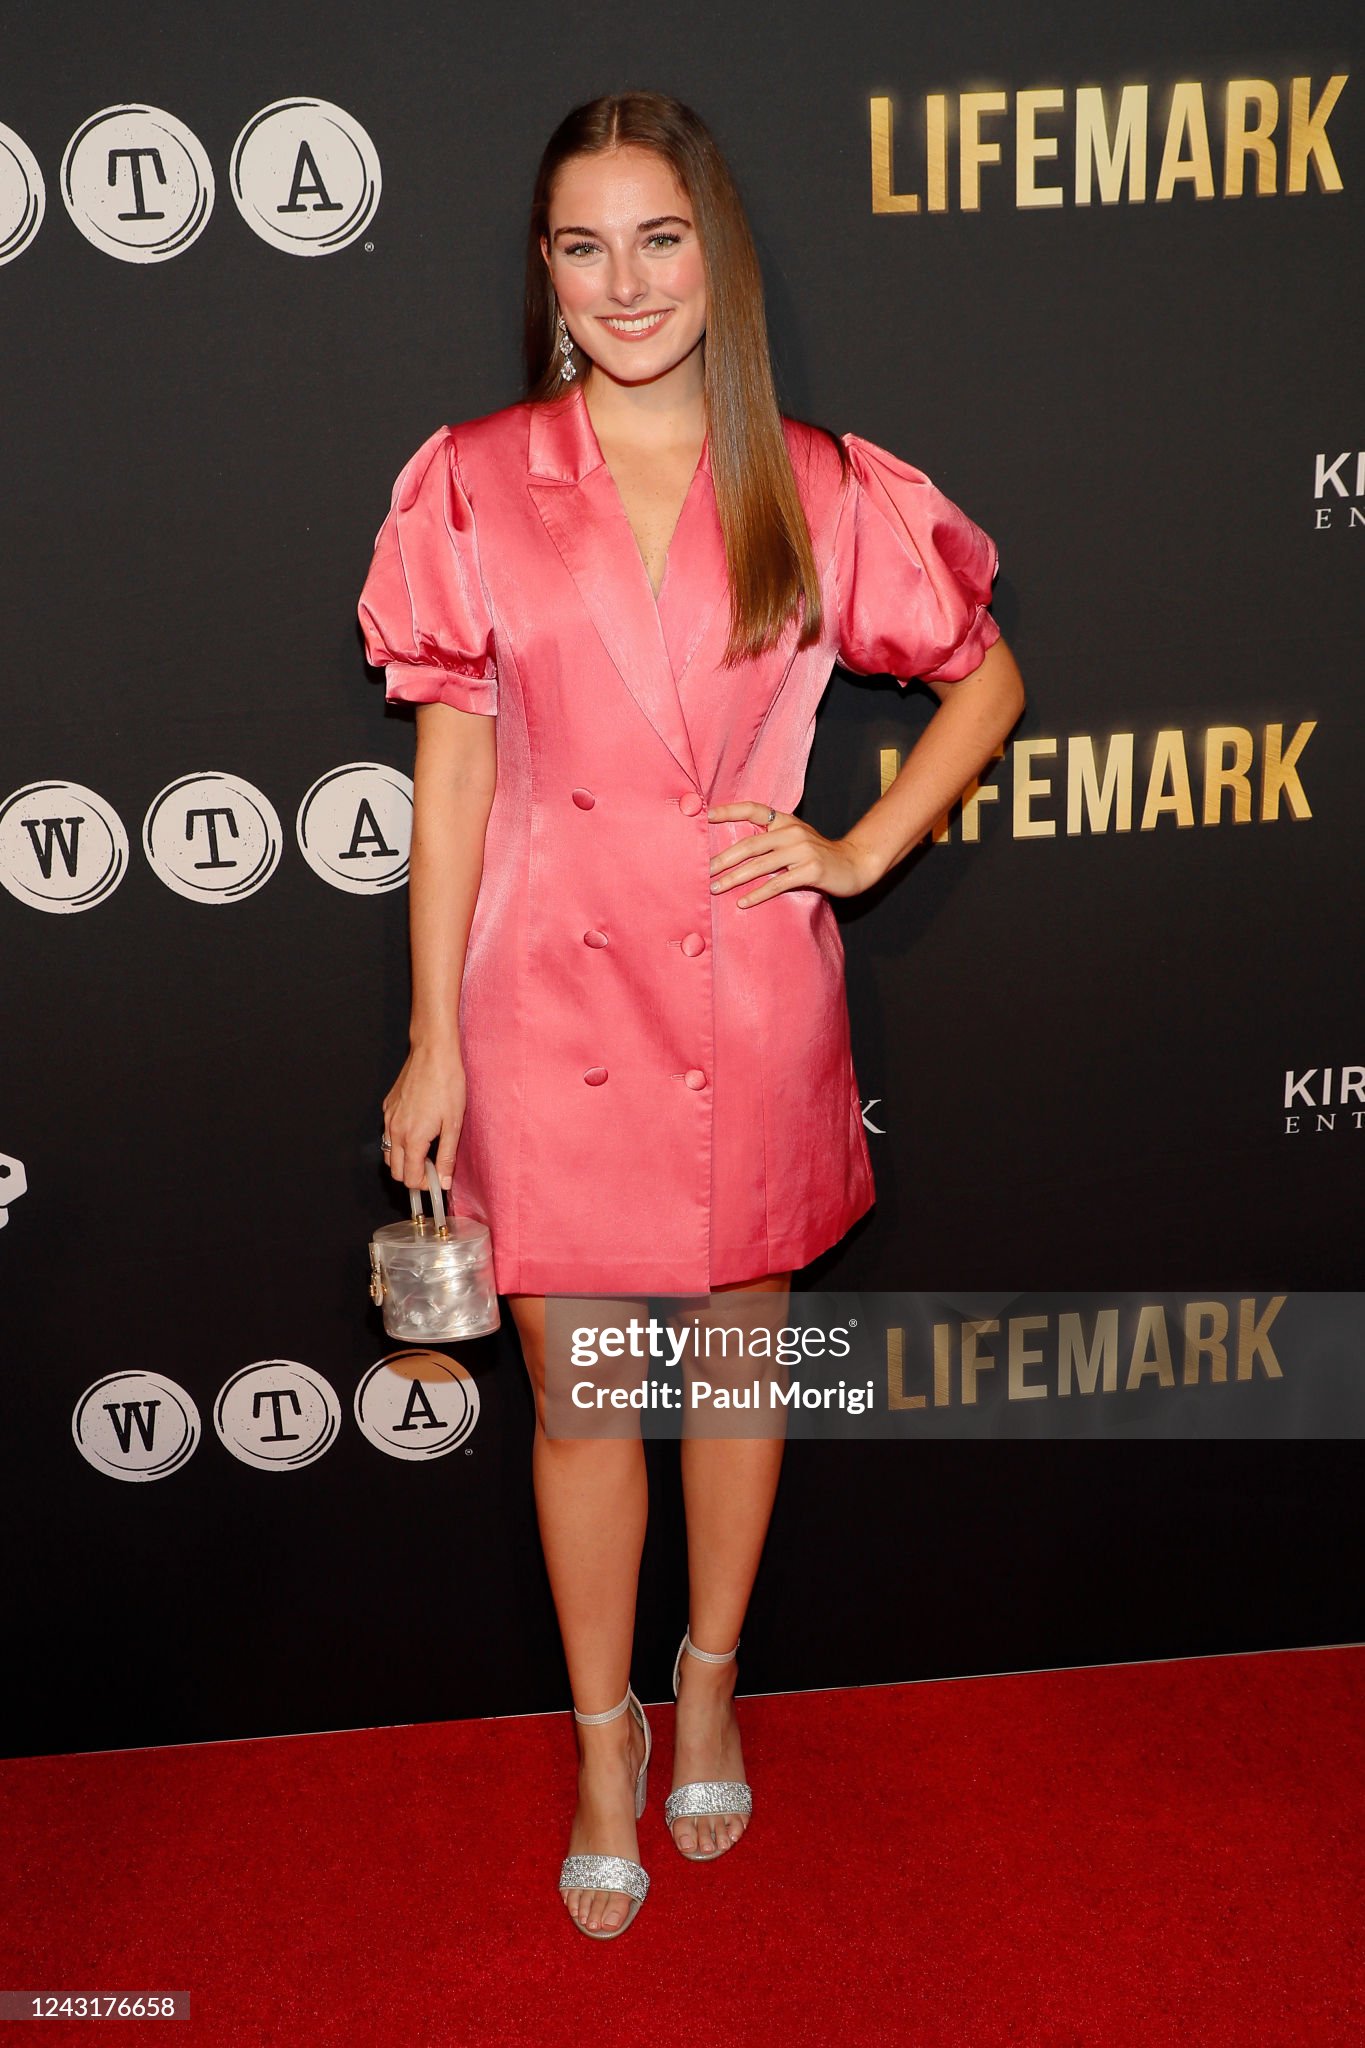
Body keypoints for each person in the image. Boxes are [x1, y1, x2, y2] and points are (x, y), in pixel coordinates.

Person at [356, 89, 1025, 1940]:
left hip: (748, 987)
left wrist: (857, 849)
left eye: (659, 238)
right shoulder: (474, 479)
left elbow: (982, 679)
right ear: (546, 272)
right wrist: (430, 1038)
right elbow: (454, 772)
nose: (626, 281)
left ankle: (709, 1681)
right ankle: (604, 1743)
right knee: (583, 1405)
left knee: (734, 1371)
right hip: (540, 992)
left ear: (715, 255)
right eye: (585, 246)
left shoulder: (811, 480)